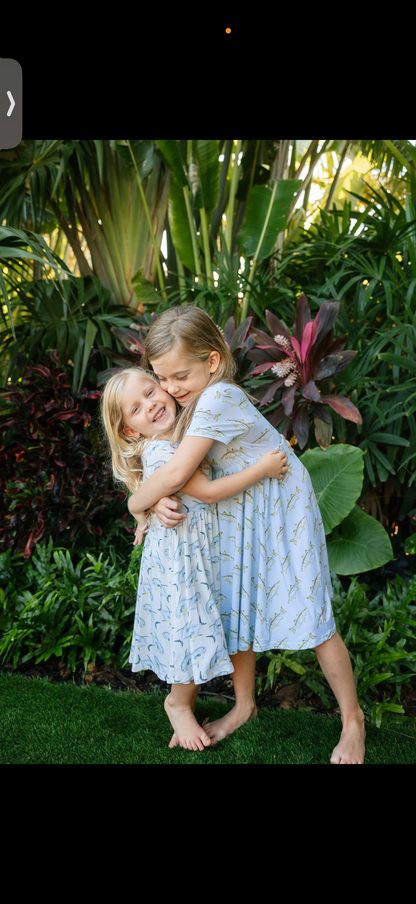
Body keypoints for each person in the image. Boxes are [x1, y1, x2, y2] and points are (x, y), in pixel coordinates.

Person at [129, 305, 366, 765]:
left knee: (313, 614)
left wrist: (137, 503)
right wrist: (155, 497)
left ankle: (352, 720)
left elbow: (176, 471)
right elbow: (177, 475)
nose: (170, 390)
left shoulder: (218, 398)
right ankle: (244, 706)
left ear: (213, 362)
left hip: (280, 508)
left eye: (180, 376)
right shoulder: (189, 401)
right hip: (243, 508)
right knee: (240, 604)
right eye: (163, 379)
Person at [100, 365, 289, 752]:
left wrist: (143, 505)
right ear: (131, 432)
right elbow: (206, 492)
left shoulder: (187, 434)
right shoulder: (161, 451)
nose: (151, 405)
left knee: (222, 622)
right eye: (136, 409)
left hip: (208, 554)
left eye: (151, 392)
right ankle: (178, 702)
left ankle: (241, 705)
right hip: (184, 566)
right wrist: (263, 469)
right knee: (194, 631)